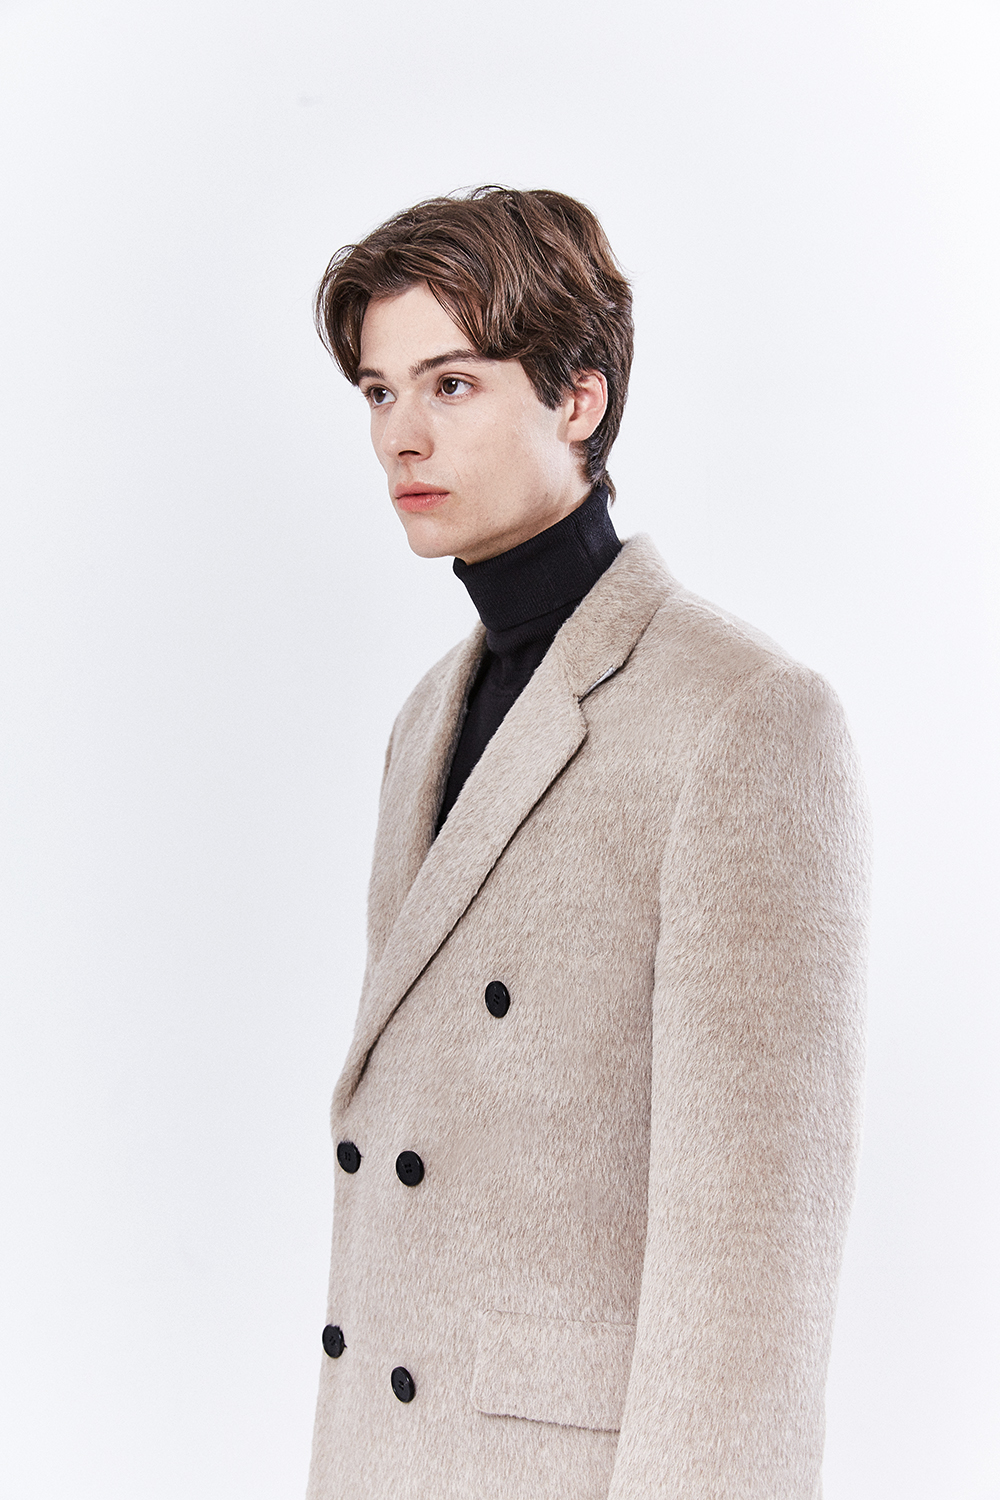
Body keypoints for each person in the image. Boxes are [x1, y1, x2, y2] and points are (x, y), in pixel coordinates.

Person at [306, 186, 870, 1500]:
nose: (400, 435)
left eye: (452, 384)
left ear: (578, 398)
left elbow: (753, 1257)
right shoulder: (427, 717)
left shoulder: (745, 716)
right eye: (380, 393)